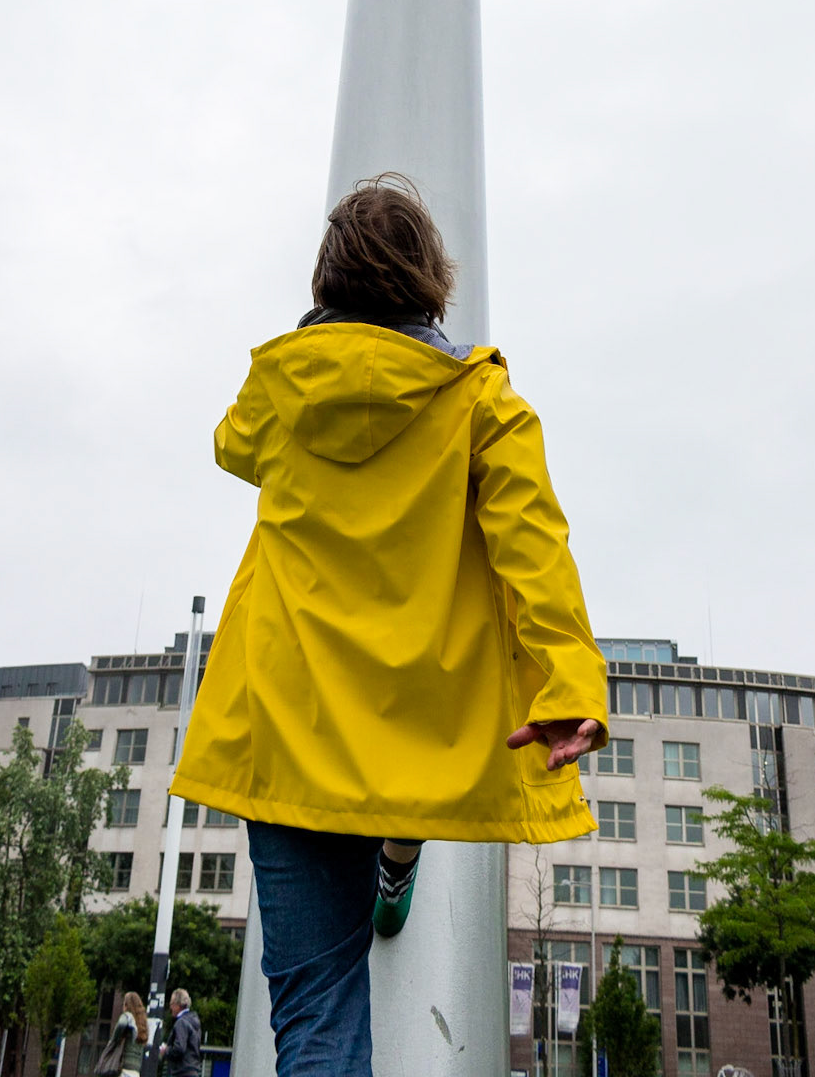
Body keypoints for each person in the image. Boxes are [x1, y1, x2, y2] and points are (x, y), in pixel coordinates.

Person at [171, 174, 607, 1077]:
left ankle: (394, 847)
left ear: (325, 289)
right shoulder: (484, 404)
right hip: (414, 719)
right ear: (432, 287)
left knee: (316, 1013)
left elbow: (230, 446)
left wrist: (311, 344)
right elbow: (537, 553)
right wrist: (567, 685)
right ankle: (398, 847)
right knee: (400, 802)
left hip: (289, 726)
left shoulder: (280, 395)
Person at [100, 991, 147, 1077]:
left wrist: (114, 1039)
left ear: (126, 1005)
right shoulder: (142, 1024)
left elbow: (121, 1023)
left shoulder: (127, 1016)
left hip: (124, 1069)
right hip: (135, 1072)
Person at [160, 989, 201, 1076]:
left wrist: (166, 1051)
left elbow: (179, 1048)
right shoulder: (194, 1021)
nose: (170, 1007)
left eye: (171, 1004)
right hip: (193, 1070)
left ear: (177, 1005)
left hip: (182, 1071)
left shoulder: (181, 1022)